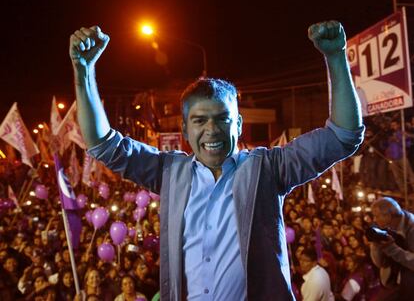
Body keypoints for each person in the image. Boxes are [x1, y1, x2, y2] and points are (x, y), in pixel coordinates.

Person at [69, 20, 363, 300]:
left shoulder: (267, 169)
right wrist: (84, 71)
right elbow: (103, 144)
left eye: (223, 119)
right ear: (185, 128)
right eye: (199, 120)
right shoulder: (170, 172)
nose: (212, 130)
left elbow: (343, 136)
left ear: (238, 124)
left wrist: (336, 57)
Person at [369, 197, 414, 301]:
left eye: (376, 216)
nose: (374, 220)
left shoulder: (411, 227)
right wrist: (375, 244)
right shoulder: (384, 228)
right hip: (393, 283)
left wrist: (392, 249)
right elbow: (380, 263)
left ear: (389, 216)